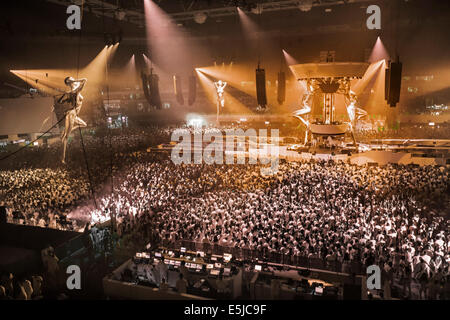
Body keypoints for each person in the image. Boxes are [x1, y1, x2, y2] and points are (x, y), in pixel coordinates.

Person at [58, 76, 87, 164]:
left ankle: (65, 132)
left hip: (74, 115)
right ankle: (62, 158)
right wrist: (73, 81)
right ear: (69, 82)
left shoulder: (72, 91)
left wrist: (65, 97)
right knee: (66, 138)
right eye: (71, 79)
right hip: (71, 114)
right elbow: (85, 80)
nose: (73, 80)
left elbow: (61, 102)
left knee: (84, 124)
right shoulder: (75, 90)